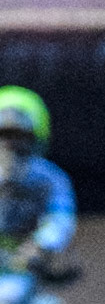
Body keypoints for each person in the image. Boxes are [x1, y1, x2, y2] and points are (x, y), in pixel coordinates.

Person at [0, 86, 77, 271]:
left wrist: (41, 244)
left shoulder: (51, 179)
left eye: (19, 136)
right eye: (3, 135)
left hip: (25, 273)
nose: (10, 145)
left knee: (48, 302)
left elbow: (61, 218)